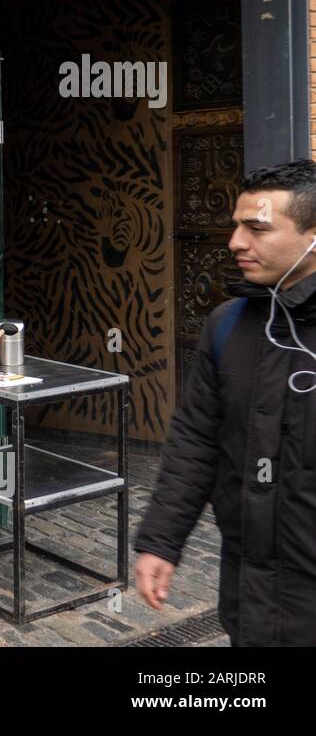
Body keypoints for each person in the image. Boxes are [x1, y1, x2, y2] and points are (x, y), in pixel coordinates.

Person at [134, 160, 316, 646]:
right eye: (236, 226)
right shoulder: (227, 324)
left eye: (257, 228)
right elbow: (195, 442)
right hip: (249, 595)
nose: (236, 242)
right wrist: (160, 541)